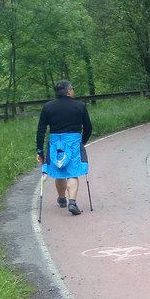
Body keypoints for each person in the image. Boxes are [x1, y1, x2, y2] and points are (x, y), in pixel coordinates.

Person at [36, 79, 93, 216]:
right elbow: (88, 127)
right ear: (68, 91)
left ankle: (62, 199)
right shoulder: (80, 106)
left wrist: (40, 151)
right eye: (72, 89)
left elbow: (41, 130)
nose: (73, 91)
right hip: (73, 142)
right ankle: (72, 202)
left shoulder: (48, 107)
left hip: (55, 143)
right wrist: (82, 142)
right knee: (73, 173)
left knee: (59, 171)